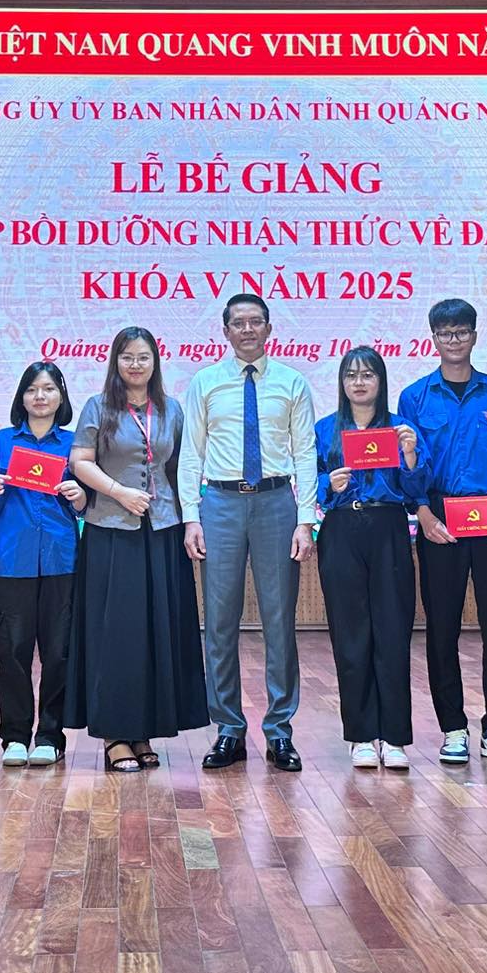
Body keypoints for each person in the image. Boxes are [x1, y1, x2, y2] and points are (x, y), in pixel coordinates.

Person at [180, 293, 318, 773]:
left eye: (255, 321)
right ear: (225, 331)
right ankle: (228, 729)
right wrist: (191, 516)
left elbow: (305, 452)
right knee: (219, 621)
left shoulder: (292, 382)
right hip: (219, 503)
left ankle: (279, 731)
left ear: (269, 328)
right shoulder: (205, 382)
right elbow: (191, 453)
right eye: (238, 323)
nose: (247, 330)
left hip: (276, 502)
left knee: (279, 620)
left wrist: (305, 519)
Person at [395, 298, 487, 768]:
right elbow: (407, 464)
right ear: (433, 339)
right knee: (442, 628)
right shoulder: (415, 397)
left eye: (461, 332)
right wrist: (421, 512)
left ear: (475, 336)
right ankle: (453, 729)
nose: (453, 340)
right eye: (445, 333)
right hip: (439, 520)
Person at [67, 327, 209, 772]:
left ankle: (144, 731)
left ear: (155, 362)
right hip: (112, 530)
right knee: (117, 634)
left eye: (143, 357)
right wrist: (118, 492)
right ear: (116, 361)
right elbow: (79, 461)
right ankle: (115, 734)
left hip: (162, 531)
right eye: (127, 357)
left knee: (155, 633)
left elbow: (183, 468)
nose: (135, 365)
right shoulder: (98, 406)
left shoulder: (172, 409)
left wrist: (191, 519)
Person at [314, 347, 425, 770]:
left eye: (368, 375)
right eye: (351, 375)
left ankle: (394, 737)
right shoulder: (326, 429)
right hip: (342, 530)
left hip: (388, 529)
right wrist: (330, 482)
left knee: (393, 632)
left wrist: (410, 456)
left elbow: (417, 491)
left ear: (381, 381)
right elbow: (309, 483)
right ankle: (360, 735)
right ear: (342, 383)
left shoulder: (400, 428)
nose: (359, 383)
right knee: (351, 634)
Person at [0, 361, 87, 768]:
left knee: (58, 653)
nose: (40, 396)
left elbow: (87, 505)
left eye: (49, 389)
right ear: (21, 397)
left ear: (61, 397)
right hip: (10, 561)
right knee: (11, 652)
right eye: (32, 389)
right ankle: (15, 736)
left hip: (61, 560)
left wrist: (79, 496)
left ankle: (50, 736)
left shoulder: (75, 445)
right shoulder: (2, 442)